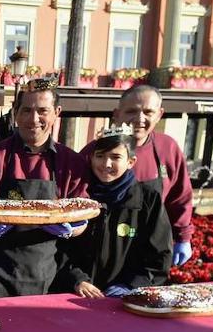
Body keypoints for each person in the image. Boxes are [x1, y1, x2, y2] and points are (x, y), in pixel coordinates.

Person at [0, 76, 89, 298]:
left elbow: (83, 212)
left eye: (42, 110)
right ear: (15, 112)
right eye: (27, 110)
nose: (34, 119)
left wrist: (72, 227)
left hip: (46, 275)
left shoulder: (71, 162)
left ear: (56, 112)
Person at [86, 84, 195, 267]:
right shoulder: (94, 151)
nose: (139, 119)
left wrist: (183, 237)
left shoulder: (168, 148)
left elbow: (180, 196)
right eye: (131, 111)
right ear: (116, 114)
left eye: (148, 112)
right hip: (103, 251)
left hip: (151, 251)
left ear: (159, 114)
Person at [57, 125, 172, 298]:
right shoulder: (79, 195)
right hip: (75, 295)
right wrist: (76, 279)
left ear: (130, 162)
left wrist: (131, 285)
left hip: (123, 299)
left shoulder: (148, 199)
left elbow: (159, 255)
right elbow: (58, 246)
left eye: (115, 157)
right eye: (100, 156)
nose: (106, 164)